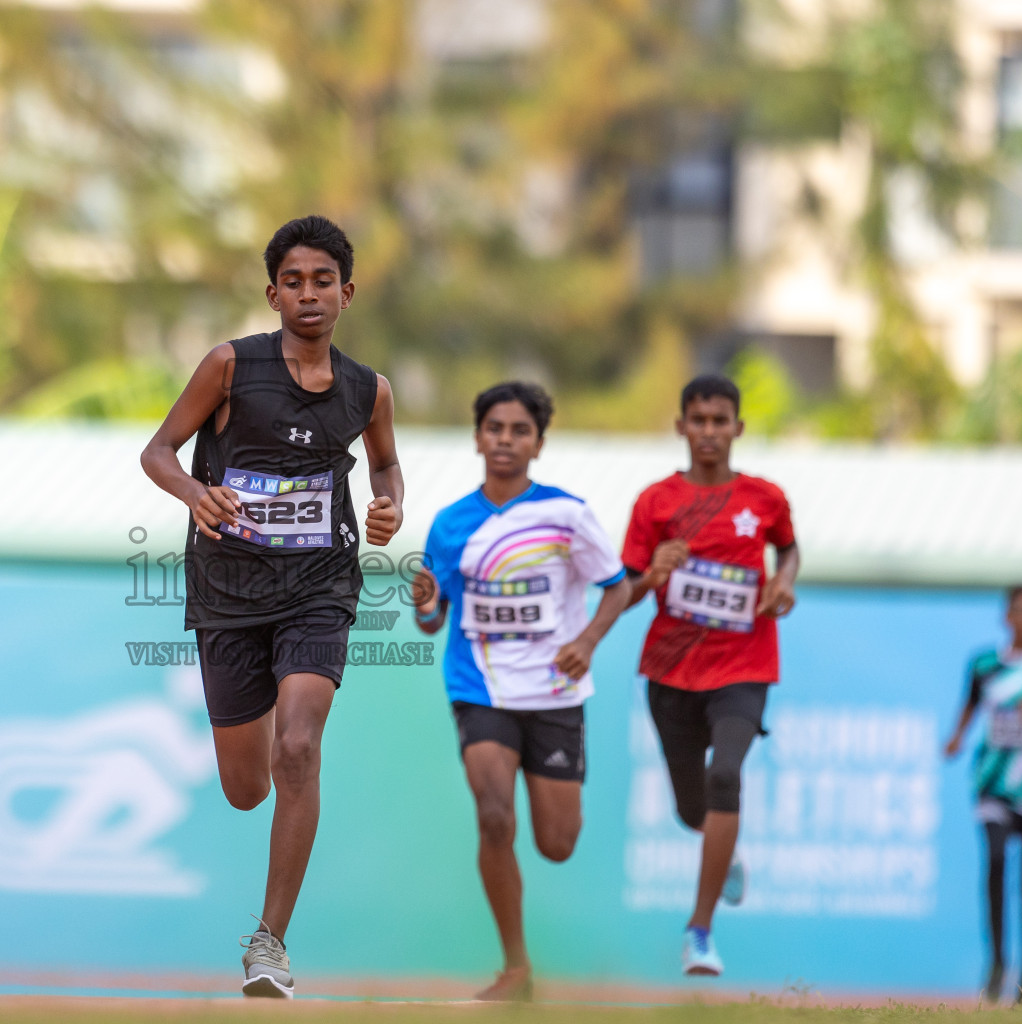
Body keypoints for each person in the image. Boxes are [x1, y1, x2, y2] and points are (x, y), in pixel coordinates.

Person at [140, 215, 404, 998]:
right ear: (273, 293)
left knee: (298, 749)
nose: (309, 294)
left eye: (323, 280)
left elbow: (387, 469)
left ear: (346, 293)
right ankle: (249, 735)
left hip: (319, 590)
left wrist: (389, 508)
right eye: (293, 281)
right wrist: (194, 492)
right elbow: (157, 450)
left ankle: (269, 944)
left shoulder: (369, 389)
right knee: (246, 785)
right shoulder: (229, 366)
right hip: (228, 596)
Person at [412, 381, 631, 1001]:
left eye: (519, 431)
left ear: (538, 442)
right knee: (492, 814)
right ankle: (515, 968)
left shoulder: (568, 514)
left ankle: (521, 962)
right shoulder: (451, 524)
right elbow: (433, 618)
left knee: (557, 844)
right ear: (477, 436)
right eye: (494, 429)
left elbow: (616, 587)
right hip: (479, 688)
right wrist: (426, 605)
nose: (505, 440)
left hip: (557, 692)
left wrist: (586, 642)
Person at [620, 374, 798, 977]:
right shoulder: (655, 503)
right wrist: (652, 576)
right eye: (698, 420)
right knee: (691, 810)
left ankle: (700, 931)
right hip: (670, 671)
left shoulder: (764, 498)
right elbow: (627, 586)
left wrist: (783, 581)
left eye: (720, 420)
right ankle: (724, 850)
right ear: (681, 427)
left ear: (738, 429)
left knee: (726, 776)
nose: (709, 432)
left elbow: (790, 549)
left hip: (744, 665)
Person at [944, 585, 1022, 1005]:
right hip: (993, 783)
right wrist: (956, 738)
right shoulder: (985, 664)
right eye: (1016, 609)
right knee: (997, 859)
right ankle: (997, 963)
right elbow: (970, 705)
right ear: (1005, 617)